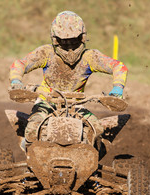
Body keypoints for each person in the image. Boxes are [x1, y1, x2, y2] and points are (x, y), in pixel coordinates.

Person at [9, 11, 128, 145]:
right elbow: (20, 64)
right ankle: (30, 153)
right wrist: (16, 81)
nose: (70, 47)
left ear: (82, 38)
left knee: (97, 130)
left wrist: (117, 88)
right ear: (55, 40)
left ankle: (90, 159)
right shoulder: (46, 53)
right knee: (32, 130)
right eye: (65, 42)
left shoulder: (89, 57)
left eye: (74, 40)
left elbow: (118, 66)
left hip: (76, 106)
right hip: (46, 103)